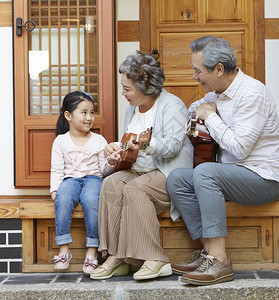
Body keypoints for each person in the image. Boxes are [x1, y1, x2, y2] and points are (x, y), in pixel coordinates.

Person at [166, 36, 279, 286]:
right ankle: (208, 252)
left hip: (263, 178)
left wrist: (210, 117)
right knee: (177, 178)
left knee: (206, 172)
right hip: (231, 177)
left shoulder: (253, 94)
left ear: (218, 69)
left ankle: (220, 260)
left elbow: (240, 150)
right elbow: (191, 112)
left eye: (197, 71)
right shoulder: (216, 93)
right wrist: (197, 114)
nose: (194, 77)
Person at [90, 51, 193, 281]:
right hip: (139, 170)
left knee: (135, 189)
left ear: (144, 85)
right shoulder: (132, 108)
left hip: (169, 172)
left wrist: (146, 144)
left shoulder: (172, 105)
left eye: (127, 88)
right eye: (123, 87)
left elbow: (174, 145)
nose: (123, 93)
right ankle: (117, 257)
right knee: (111, 183)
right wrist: (116, 148)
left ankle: (156, 258)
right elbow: (130, 142)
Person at [50, 91, 115, 274]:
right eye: (84, 112)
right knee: (62, 199)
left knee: (91, 200)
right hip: (70, 180)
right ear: (68, 116)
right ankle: (63, 249)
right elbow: (56, 169)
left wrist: (111, 162)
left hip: (94, 179)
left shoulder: (99, 140)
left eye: (92, 113)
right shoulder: (61, 141)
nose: (89, 118)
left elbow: (104, 171)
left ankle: (92, 251)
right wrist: (55, 189)